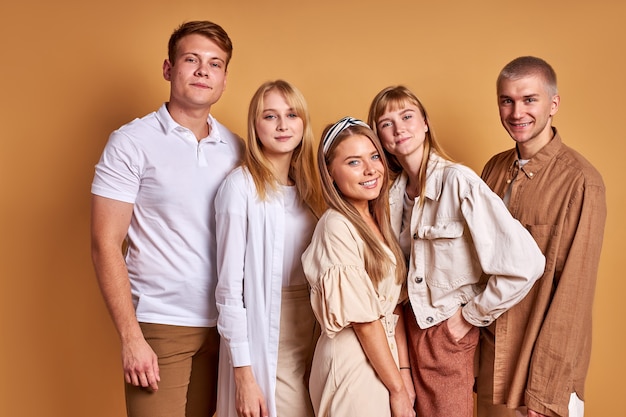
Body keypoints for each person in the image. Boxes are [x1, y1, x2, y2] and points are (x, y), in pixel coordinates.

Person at [90, 21, 243, 417]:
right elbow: (105, 243)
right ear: (168, 68)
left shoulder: (237, 149)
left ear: (225, 79)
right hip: (160, 324)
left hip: (225, 328)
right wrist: (131, 337)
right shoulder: (131, 142)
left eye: (215, 63)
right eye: (191, 59)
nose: (202, 71)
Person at [367, 86, 546, 417]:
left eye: (407, 117)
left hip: (443, 333)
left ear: (425, 123)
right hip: (401, 334)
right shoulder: (387, 195)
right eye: (386, 123)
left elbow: (527, 263)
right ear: (379, 137)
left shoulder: (458, 182)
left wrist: (468, 318)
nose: (399, 128)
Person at [476, 56, 607, 417]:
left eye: (529, 99)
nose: (517, 112)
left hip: (538, 375)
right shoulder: (493, 168)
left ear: (553, 104)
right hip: (489, 365)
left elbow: (573, 297)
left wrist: (545, 393)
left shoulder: (581, 181)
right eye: (507, 100)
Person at [214, 80, 325, 417]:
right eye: (270, 116)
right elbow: (230, 289)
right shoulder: (240, 187)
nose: (282, 125)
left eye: (291, 115)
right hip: (268, 326)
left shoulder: (314, 190)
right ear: (255, 125)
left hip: (315, 321)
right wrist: (244, 375)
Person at [302, 117, 416, 417]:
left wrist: (403, 373)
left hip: (382, 361)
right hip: (352, 364)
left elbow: (393, 310)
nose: (370, 170)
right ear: (330, 173)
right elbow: (365, 323)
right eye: (354, 162)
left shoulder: (379, 223)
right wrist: (398, 389)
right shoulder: (336, 226)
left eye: (375, 156)